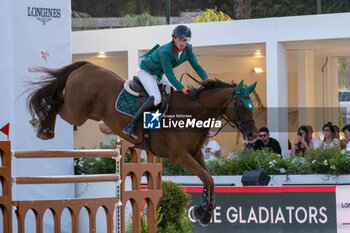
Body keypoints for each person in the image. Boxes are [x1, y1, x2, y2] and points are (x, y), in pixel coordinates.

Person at [123, 25, 209, 139]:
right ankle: (130, 126)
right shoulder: (166, 51)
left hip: (158, 74)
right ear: (174, 38)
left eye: (185, 40)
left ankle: (159, 124)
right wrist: (185, 91)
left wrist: (209, 82)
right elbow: (170, 76)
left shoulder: (188, 49)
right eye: (180, 39)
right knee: (157, 98)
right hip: (146, 72)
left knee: (171, 92)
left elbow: (197, 67)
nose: (182, 43)